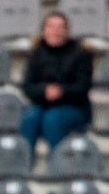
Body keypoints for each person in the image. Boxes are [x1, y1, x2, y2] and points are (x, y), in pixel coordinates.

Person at [19, 11, 93, 155]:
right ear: (43, 31)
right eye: (51, 27)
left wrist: (61, 91)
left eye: (60, 27)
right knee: (29, 118)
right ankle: (24, 165)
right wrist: (44, 91)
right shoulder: (36, 54)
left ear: (67, 31)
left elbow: (83, 87)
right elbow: (27, 86)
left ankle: (58, 165)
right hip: (42, 105)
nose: (55, 31)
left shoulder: (81, 54)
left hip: (74, 108)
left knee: (52, 119)